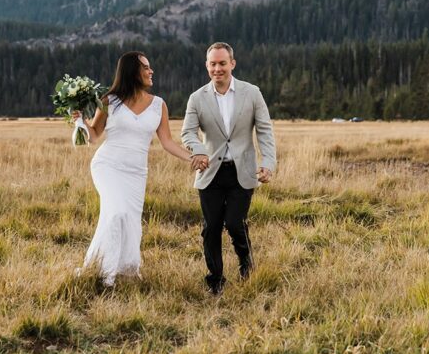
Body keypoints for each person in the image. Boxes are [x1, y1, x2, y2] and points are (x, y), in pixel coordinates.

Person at [74, 51, 194, 286]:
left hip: (136, 173)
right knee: (116, 212)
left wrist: (193, 158)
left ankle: (125, 270)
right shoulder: (110, 101)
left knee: (129, 220)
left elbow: (167, 142)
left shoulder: (159, 105)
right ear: (132, 71)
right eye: (146, 67)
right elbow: (94, 136)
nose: (151, 71)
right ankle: (104, 274)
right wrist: (80, 121)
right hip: (108, 166)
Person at [181, 42, 277, 295]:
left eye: (222, 63)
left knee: (235, 224)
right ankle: (215, 280)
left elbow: (265, 130)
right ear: (207, 66)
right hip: (210, 172)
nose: (217, 68)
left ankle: (247, 266)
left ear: (232, 64)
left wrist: (268, 163)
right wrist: (198, 150)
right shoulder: (197, 98)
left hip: (242, 171)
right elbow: (187, 132)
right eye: (212, 64)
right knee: (211, 227)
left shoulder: (252, 93)